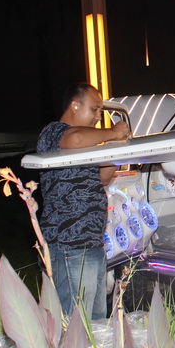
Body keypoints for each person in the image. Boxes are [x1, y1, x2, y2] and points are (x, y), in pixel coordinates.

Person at [38, 82, 130, 319]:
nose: (98, 117)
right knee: (76, 323)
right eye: (95, 109)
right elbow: (75, 138)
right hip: (69, 244)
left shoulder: (86, 143)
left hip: (91, 243)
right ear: (75, 105)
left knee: (96, 320)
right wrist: (113, 133)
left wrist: (114, 149)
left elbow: (103, 178)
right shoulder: (54, 133)